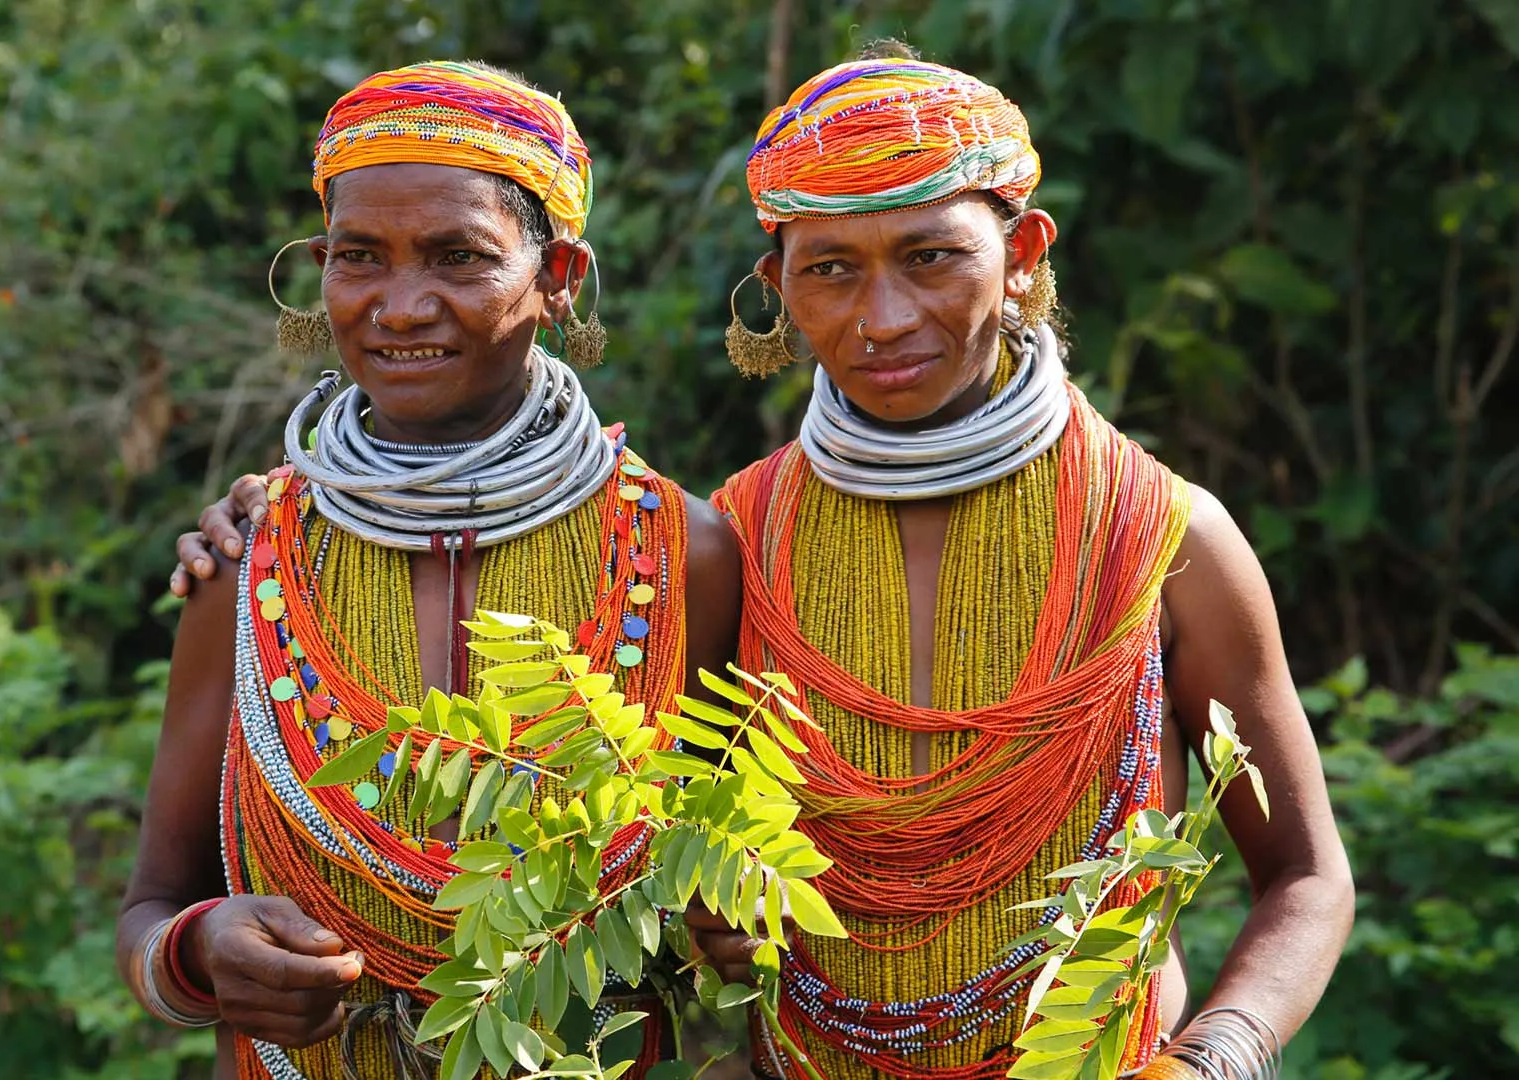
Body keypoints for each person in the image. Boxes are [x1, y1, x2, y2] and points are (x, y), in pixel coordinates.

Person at [178, 45, 1353, 1080]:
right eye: (831, 268)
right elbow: (670, 866)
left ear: (1025, 252)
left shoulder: (1163, 538)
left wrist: (1214, 1059)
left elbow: (1305, 876)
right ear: (778, 286)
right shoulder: (738, 540)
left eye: (933, 256)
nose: (883, 317)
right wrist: (709, 929)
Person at [122, 60, 740, 1080]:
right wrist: (196, 953)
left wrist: (730, 934)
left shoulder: (680, 557)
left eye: (459, 257)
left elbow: (720, 891)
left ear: (559, 278)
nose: (402, 306)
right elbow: (150, 906)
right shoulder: (251, 564)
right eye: (361, 258)